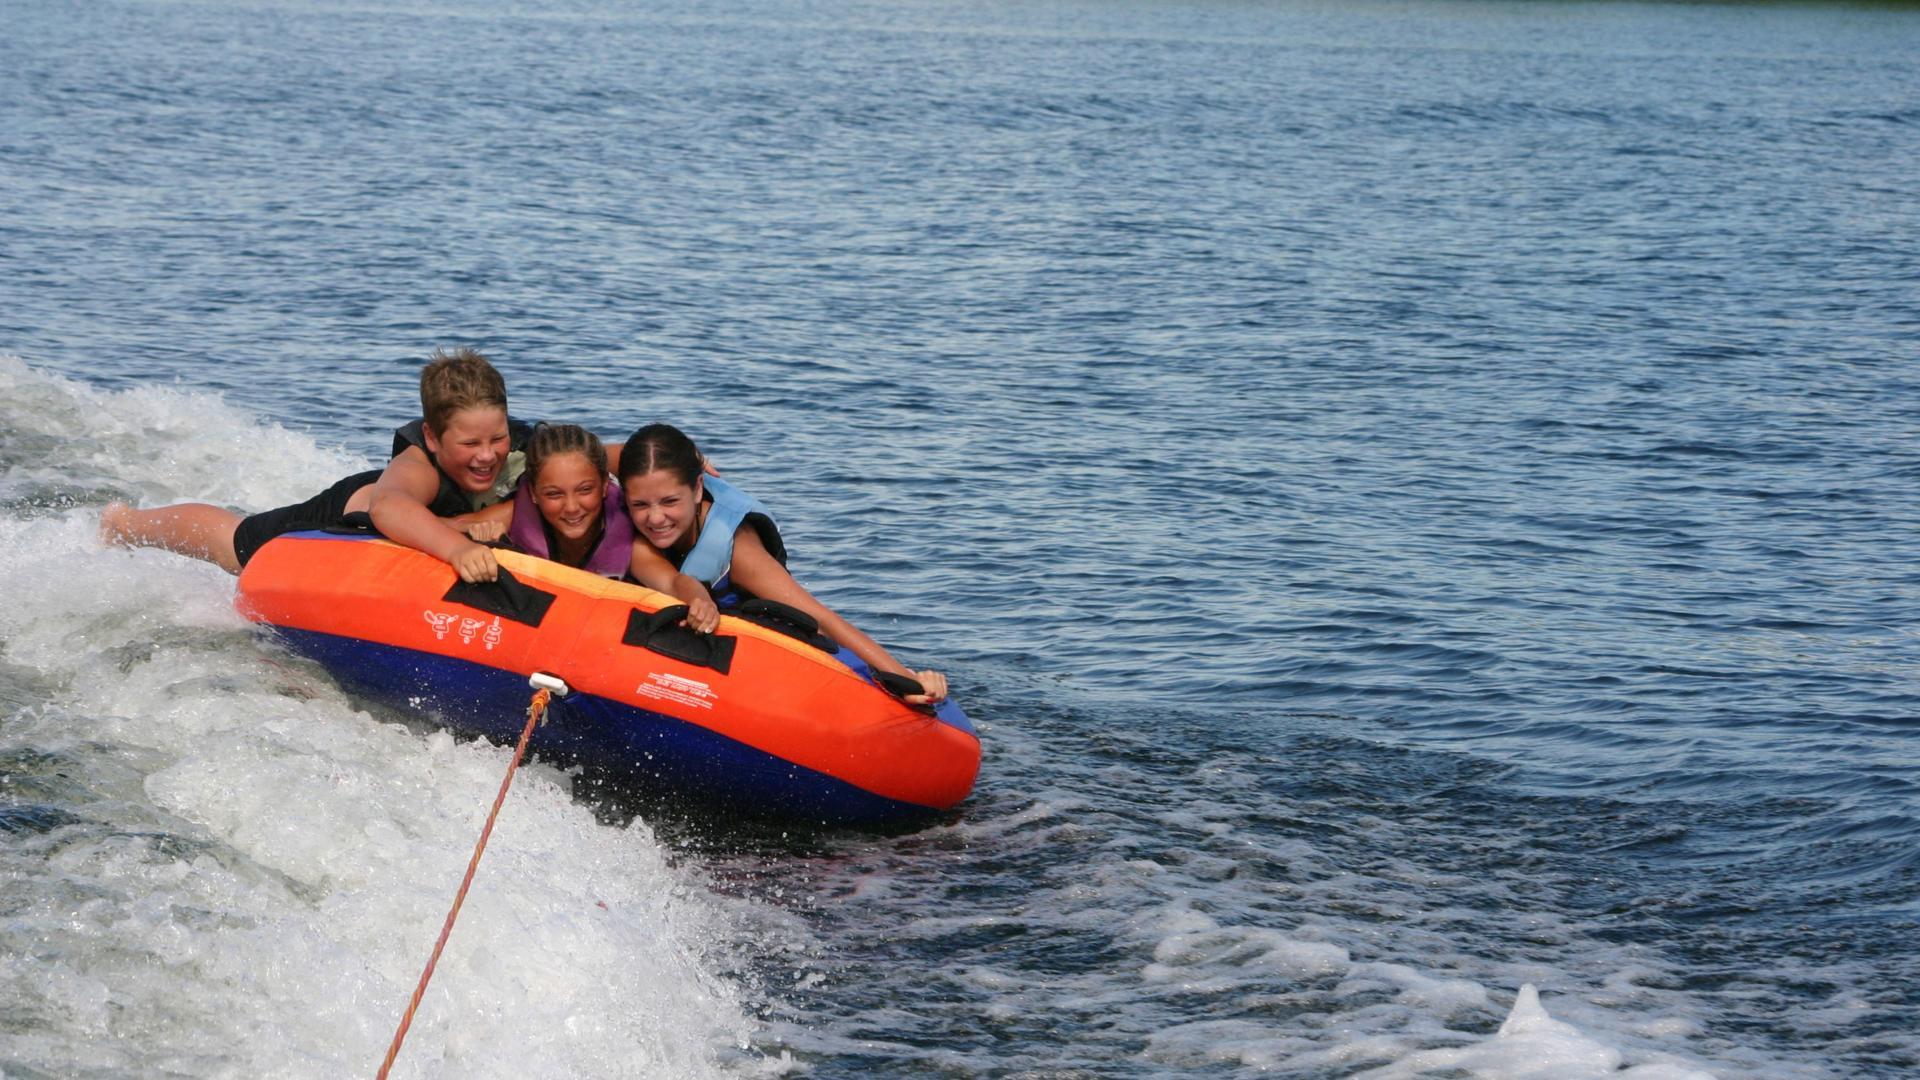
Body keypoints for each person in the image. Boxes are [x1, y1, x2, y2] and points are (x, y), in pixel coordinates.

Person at [101, 348, 532, 578]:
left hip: (435, 521)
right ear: (433, 437)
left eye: (498, 438)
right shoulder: (418, 465)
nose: (487, 454)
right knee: (237, 547)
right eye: (471, 442)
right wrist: (458, 547)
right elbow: (390, 508)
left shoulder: (524, 443)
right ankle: (125, 524)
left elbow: (594, 457)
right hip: (349, 515)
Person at [616, 423, 949, 705]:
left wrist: (903, 678)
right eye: (640, 504)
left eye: (670, 502)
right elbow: (582, 454)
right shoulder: (633, 491)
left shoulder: (738, 549)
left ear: (698, 487)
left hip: (743, 631)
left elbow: (821, 618)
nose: (656, 517)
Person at [495, 423, 634, 576]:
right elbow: (464, 526)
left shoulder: (632, 537)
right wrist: (469, 547)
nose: (571, 507)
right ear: (533, 494)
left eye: (585, 490)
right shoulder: (513, 514)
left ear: (604, 486)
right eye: (554, 494)